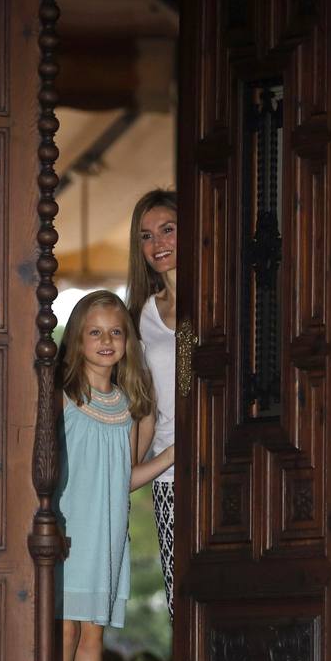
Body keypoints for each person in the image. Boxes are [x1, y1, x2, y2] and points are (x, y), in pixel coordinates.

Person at [57, 289, 174, 661]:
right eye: (95, 332)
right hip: (67, 530)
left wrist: (171, 455)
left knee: (92, 639)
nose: (106, 340)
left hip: (106, 533)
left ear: (127, 341)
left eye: (116, 332)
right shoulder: (60, 396)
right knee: (62, 635)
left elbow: (125, 475)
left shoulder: (129, 405)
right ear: (78, 341)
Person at [125, 189, 178, 619]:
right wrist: (126, 467)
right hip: (170, 479)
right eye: (146, 236)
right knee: (182, 602)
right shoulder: (143, 315)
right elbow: (147, 408)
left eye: (167, 230)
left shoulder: (223, 301)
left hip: (227, 469)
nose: (157, 243)